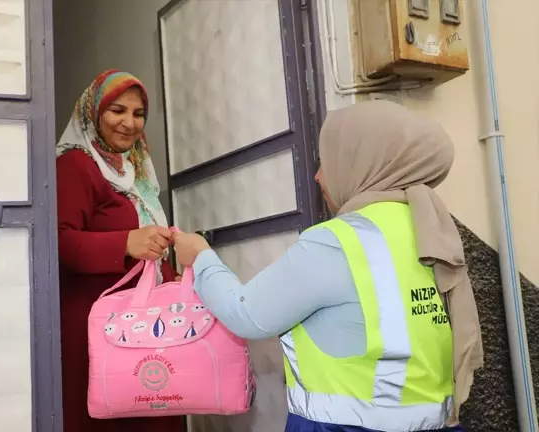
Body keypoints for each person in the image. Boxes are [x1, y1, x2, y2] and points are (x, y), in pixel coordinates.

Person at [172, 100, 483, 432]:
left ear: (362, 161)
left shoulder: (339, 240)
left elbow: (245, 315)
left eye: (326, 161)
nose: (319, 177)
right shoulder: (429, 229)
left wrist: (201, 256)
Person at [55, 69, 184, 432]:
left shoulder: (137, 170)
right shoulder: (75, 164)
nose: (129, 123)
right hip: (100, 328)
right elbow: (58, 241)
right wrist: (126, 242)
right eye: (117, 110)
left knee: (155, 408)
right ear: (93, 113)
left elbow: (148, 249)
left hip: (146, 325)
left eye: (138, 113)